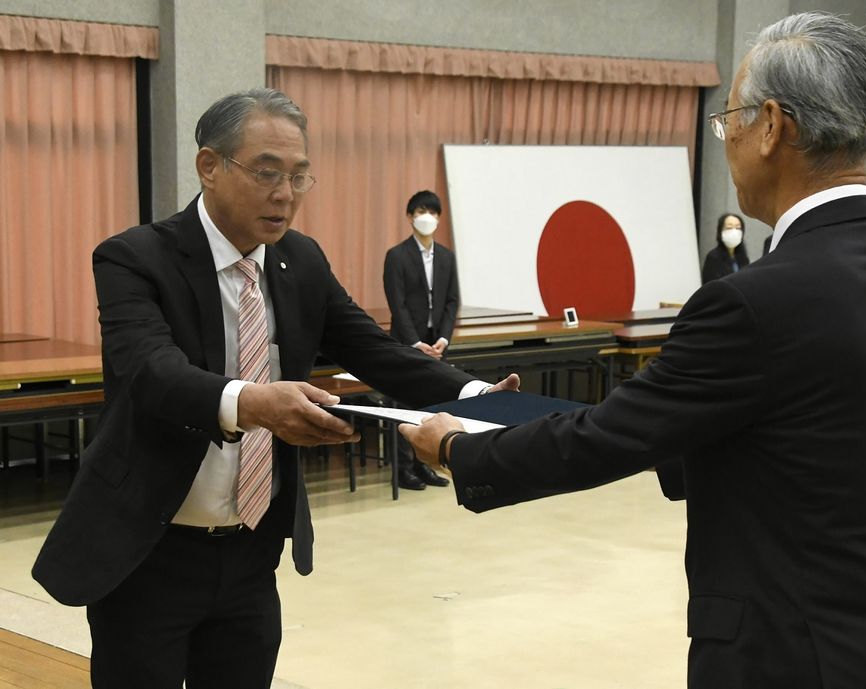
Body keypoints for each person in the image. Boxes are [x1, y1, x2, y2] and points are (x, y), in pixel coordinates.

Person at [401, 12, 866, 689]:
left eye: (729, 121)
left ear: (773, 127)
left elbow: (609, 435)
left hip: (786, 651)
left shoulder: (753, 302)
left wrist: (460, 447)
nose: (726, 140)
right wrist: (514, 409)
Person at [31, 88, 518, 689]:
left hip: (252, 552)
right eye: (266, 173)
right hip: (148, 552)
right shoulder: (135, 258)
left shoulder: (300, 260)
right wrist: (256, 404)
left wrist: (476, 397)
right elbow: (150, 372)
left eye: (299, 177)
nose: (285, 195)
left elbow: (375, 351)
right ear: (210, 166)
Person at [383, 190, 460, 489]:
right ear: (410, 217)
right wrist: (416, 343)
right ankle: (403, 469)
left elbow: (452, 301)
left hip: (436, 342)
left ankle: (425, 465)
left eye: (432, 212)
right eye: (420, 212)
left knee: (433, 406)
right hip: (407, 342)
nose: (426, 217)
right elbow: (397, 305)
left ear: (439, 218)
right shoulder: (397, 256)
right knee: (404, 406)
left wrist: (443, 339)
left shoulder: (446, 257)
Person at [701, 212, 748, 282]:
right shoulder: (713, 257)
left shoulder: (744, 257)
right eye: (729, 228)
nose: (734, 232)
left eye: (738, 228)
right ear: (720, 232)